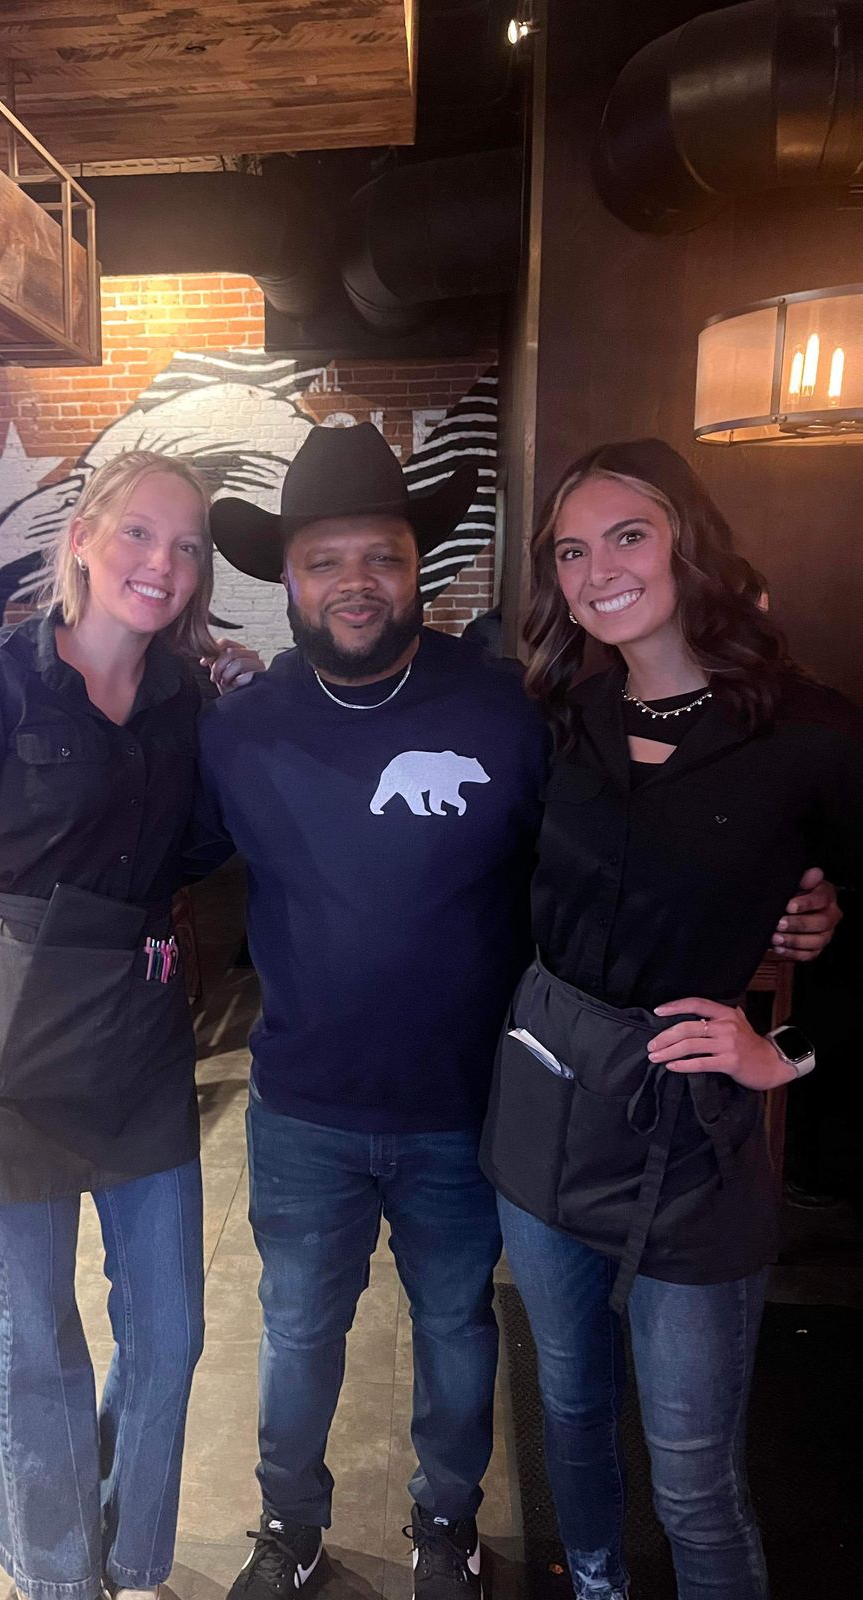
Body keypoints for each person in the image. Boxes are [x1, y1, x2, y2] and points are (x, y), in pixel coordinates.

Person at [195, 423, 840, 1600]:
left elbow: (624, 852)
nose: (355, 581)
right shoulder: (237, 727)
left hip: (474, 1105)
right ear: (284, 578)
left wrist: (794, 916)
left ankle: (448, 1520)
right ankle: (289, 1523)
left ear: (419, 568)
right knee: (299, 1333)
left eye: (382, 556)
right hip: (302, 1109)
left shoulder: (516, 708)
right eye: (325, 560)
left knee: (458, 1328)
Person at [480, 438, 863, 1600]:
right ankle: (595, 1584)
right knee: (569, 1404)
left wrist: (785, 1050)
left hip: (692, 1140)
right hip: (546, 1113)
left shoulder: (808, 732)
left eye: (628, 535)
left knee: (694, 1475)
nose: (599, 570)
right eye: (571, 552)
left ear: (689, 542)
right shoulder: (558, 717)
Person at [0, 450, 259, 1600]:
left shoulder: (188, 700)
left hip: (141, 1027)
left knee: (169, 1326)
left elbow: (210, 847)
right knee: (38, 1325)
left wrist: (246, 711)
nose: (164, 561)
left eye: (187, 544)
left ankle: (131, 1555)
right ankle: (56, 1576)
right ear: (83, 541)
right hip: (14, 1035)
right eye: (140, 532)